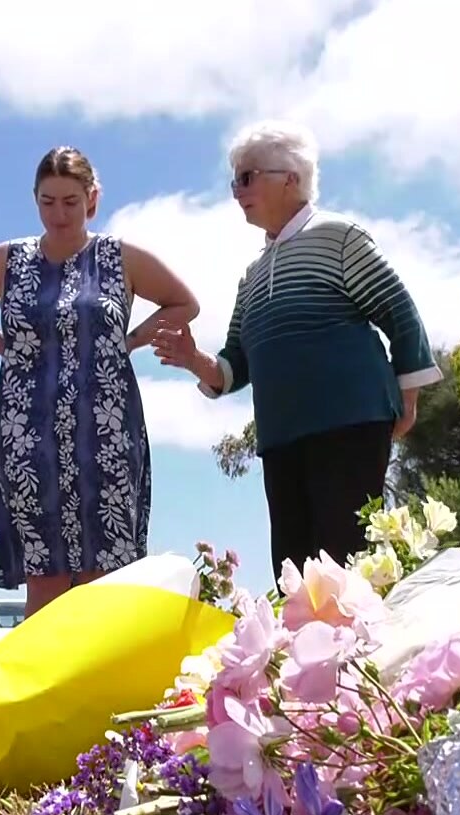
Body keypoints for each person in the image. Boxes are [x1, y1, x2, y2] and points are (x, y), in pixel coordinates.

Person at [153, 121, 443, 574]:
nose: (237, 192)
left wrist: (408, 398)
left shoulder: (339, 237)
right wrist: (194, 360)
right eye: (235, 181)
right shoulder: (251, 276)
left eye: (247, 178)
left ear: (291, 178)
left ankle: (364, 648)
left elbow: (399, 313)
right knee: (293, 572)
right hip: (281, 437)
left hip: (349, 425)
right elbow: (233, 366)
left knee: (350, 565)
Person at [0, 147, 198, 616]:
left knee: (108, 573)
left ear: (91, 200)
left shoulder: (120, 257)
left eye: (70, 201)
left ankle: (102, 687)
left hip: (107, 432)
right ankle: (50, 688)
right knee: (45, 574)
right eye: (48, 201)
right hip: (26, 436)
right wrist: (3, 345)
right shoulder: (8, 260)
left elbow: (184, 303)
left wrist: (130, 340)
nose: (58, 214)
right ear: (35, 200)